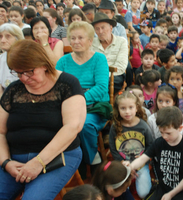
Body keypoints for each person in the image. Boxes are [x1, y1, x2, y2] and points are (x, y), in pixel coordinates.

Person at [0, 40, 85, 199]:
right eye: (18, 73)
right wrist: (6, 162)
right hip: (14, 159)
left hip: (57, 157)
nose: (23, 78)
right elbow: (0, 132)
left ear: (44, 65)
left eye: (29, 72)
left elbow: (72, 127)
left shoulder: (67, 84)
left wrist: (38, 162)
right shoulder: (14, 90)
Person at [56, 21, 111, 166]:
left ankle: (90, 160)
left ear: (90, 41)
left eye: (80, 38)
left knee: (84, 125)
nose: (76, 41)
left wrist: (76, 101)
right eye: (73, 38)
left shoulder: (99, 59)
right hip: (68, 105)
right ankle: (65, 160)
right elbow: (56, 88)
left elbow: (101, 88)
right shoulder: (63, 61)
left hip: (94, 106)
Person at [124, 106, 183, 200]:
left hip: (181, 190)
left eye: (168, 133)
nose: (164, 136)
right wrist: (130, 167)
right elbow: (143, 158)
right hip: (163, 188)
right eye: (161, 132)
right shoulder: (159, 142)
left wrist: (171, 194)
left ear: (180, 128)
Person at [108, 91, 152, 199]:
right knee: (119, 192)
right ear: (118, 110)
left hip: (140, 164)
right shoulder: (115, 127)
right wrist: (121, 162)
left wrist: (142, 160)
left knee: (144, 193)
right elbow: (113, 148)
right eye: (123, 108)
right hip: (122, 164)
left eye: (131, 107)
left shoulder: (143, 126)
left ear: (136, 108)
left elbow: (151, 146)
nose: (127, 112)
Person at [91, 13, 128, 93]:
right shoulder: (91, 43)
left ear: (111, 28)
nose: (100, 31)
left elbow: (120, 67)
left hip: (114, 76)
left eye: (103, 28)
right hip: (95, 77)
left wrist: (102, 75)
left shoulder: (121, 41)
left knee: (102, 84)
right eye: (97, 29)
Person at [0, 24, 24, 97]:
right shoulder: (1, 59)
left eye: (8, 36)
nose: (2, 40)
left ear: (18, 38)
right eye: (0, 37)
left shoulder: (26, 58)